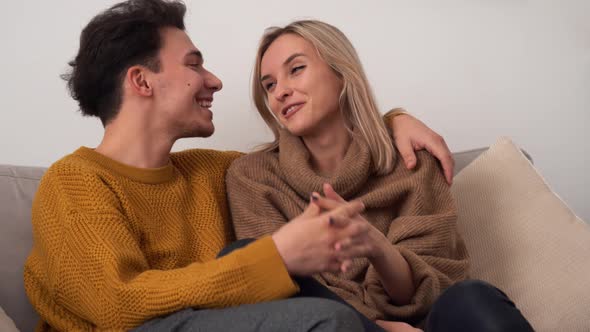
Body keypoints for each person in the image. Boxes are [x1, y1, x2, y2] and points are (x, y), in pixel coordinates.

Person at [24, 1, 459, 331]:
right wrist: (275, 258)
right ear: (141, 81)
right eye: (194, 64)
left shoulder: (216, 172)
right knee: (325, 321)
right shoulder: (75, 182)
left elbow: (316, 155)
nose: (215, 80)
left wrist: (390, 121)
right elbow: (116, 305)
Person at [226, 20, 535, 332]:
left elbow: (432, 287)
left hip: (428, 324)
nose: (280, 92)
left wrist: (375, 245)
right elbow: (282, 294)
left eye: (296, 69)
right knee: (254, 258)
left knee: (472, 297)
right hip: (336, 326)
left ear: (341, 71)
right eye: (269, 85)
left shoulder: (412, 158)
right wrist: (377, 326)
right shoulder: (254, 178)